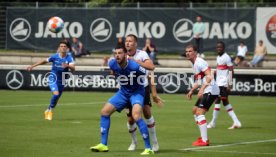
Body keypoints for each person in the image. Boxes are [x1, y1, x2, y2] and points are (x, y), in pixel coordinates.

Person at [90, 44, 154, 155]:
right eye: (115, 53)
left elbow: (147, 75)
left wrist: (152, 92)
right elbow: (114, 72)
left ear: (125, 54)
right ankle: (103, 145)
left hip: (137, 93)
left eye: (119, 53)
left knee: (137, 116)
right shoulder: (112, 63)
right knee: (104, 112)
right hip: (123, 93)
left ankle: (148, 148)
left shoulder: (134, 66)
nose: (117, 55)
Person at [125, 34, 161, 152]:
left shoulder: (142, 54)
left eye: (130, 41)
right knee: (130, 119)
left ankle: (155, 142)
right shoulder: (122, 55)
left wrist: (136, 61)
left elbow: (151, 67)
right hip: (128, 89)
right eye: (126, 41)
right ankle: (134, 142)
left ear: (135, 44)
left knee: (147, 113)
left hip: (142, 87)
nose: (128, 43)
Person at [27, 41, 75, 120]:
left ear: (67, 48)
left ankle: (49, 110)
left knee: (57, 97)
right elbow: (44, 61)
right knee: (56, 94)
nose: (62, 47)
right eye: (61, 46)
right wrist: (32, 66)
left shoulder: (69, 58)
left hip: (63, 78)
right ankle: (49, 111)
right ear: (59, 48)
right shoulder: (55, 56)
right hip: (53, 77)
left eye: (64, 46)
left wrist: (68, 66)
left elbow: (73, 69)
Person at [185, 44, 219, 146]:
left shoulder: (200, 62)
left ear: (195, 52)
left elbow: (210, 76)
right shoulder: (194, 64)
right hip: (206, 89)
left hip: (211, 90)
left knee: (200, 113)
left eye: (190, 51)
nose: (188, 53)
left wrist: (202, 89)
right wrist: (191, 90)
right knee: (195, 110)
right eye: (187, 51)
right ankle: (202, 137)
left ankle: (205, 140)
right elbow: (199, 80)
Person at [207, 41, 242, 129]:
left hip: (223, 84)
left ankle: (215, 122)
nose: (219, 49)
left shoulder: (226, 57)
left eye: (220, 47)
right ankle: (215, 122)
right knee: (220, 101)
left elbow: (231, 70)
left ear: (223, 48)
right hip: (218, 84)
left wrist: (229, 84)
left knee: (222, 102)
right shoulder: (218, 57)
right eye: (217, 47)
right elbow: (219, 70)